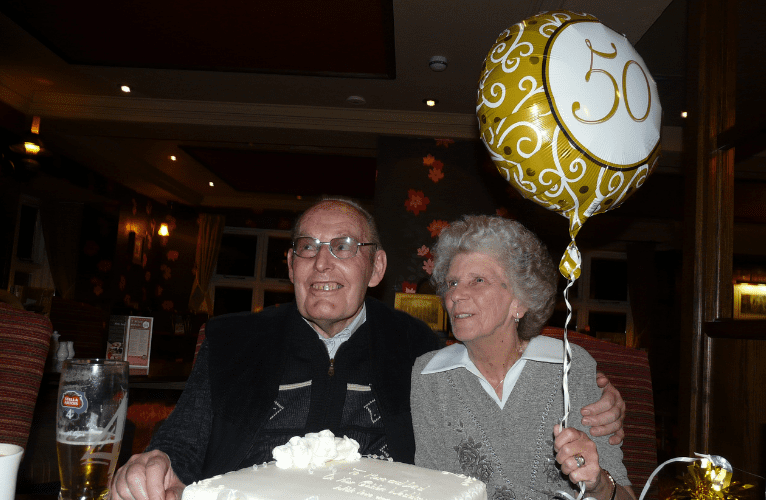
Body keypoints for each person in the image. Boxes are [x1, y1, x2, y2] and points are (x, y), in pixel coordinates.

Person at [111, 199, 625, 500]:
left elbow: (503, 387)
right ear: (290, 267)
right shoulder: (231, 339)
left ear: (375, 270)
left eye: (344, 247)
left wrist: (603, 402)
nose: (322, 263)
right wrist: (157, 458)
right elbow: (186, 430)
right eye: (307, 248)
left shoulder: (417, 349)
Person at [411, 214, 636, 500]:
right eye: (452, 283)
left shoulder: (570, 366)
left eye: (478, 280)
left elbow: (625, 495)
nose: (457, 295)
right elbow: (431, 489)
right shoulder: (430, 374)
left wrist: (598, 484)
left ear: (520, 301)